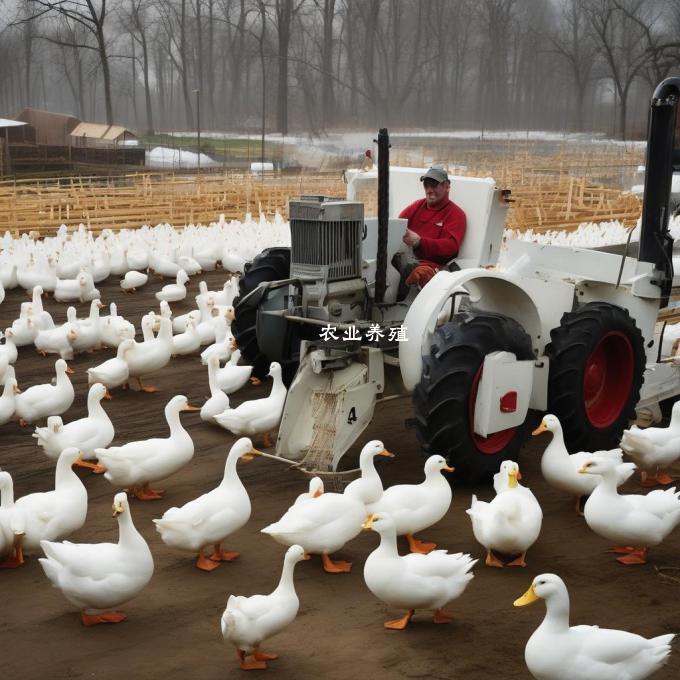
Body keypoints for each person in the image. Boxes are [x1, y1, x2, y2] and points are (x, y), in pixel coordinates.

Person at [394, 166, 466, 288]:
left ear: (447, 186)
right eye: (426, 185)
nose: (429, 190)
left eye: (434, 185)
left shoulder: (456, 214)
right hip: (404, 258)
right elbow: (396, 226)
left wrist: (419, 242)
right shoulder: (417, 206)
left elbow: (451, 247)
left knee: (417, 273)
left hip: (431, 267)